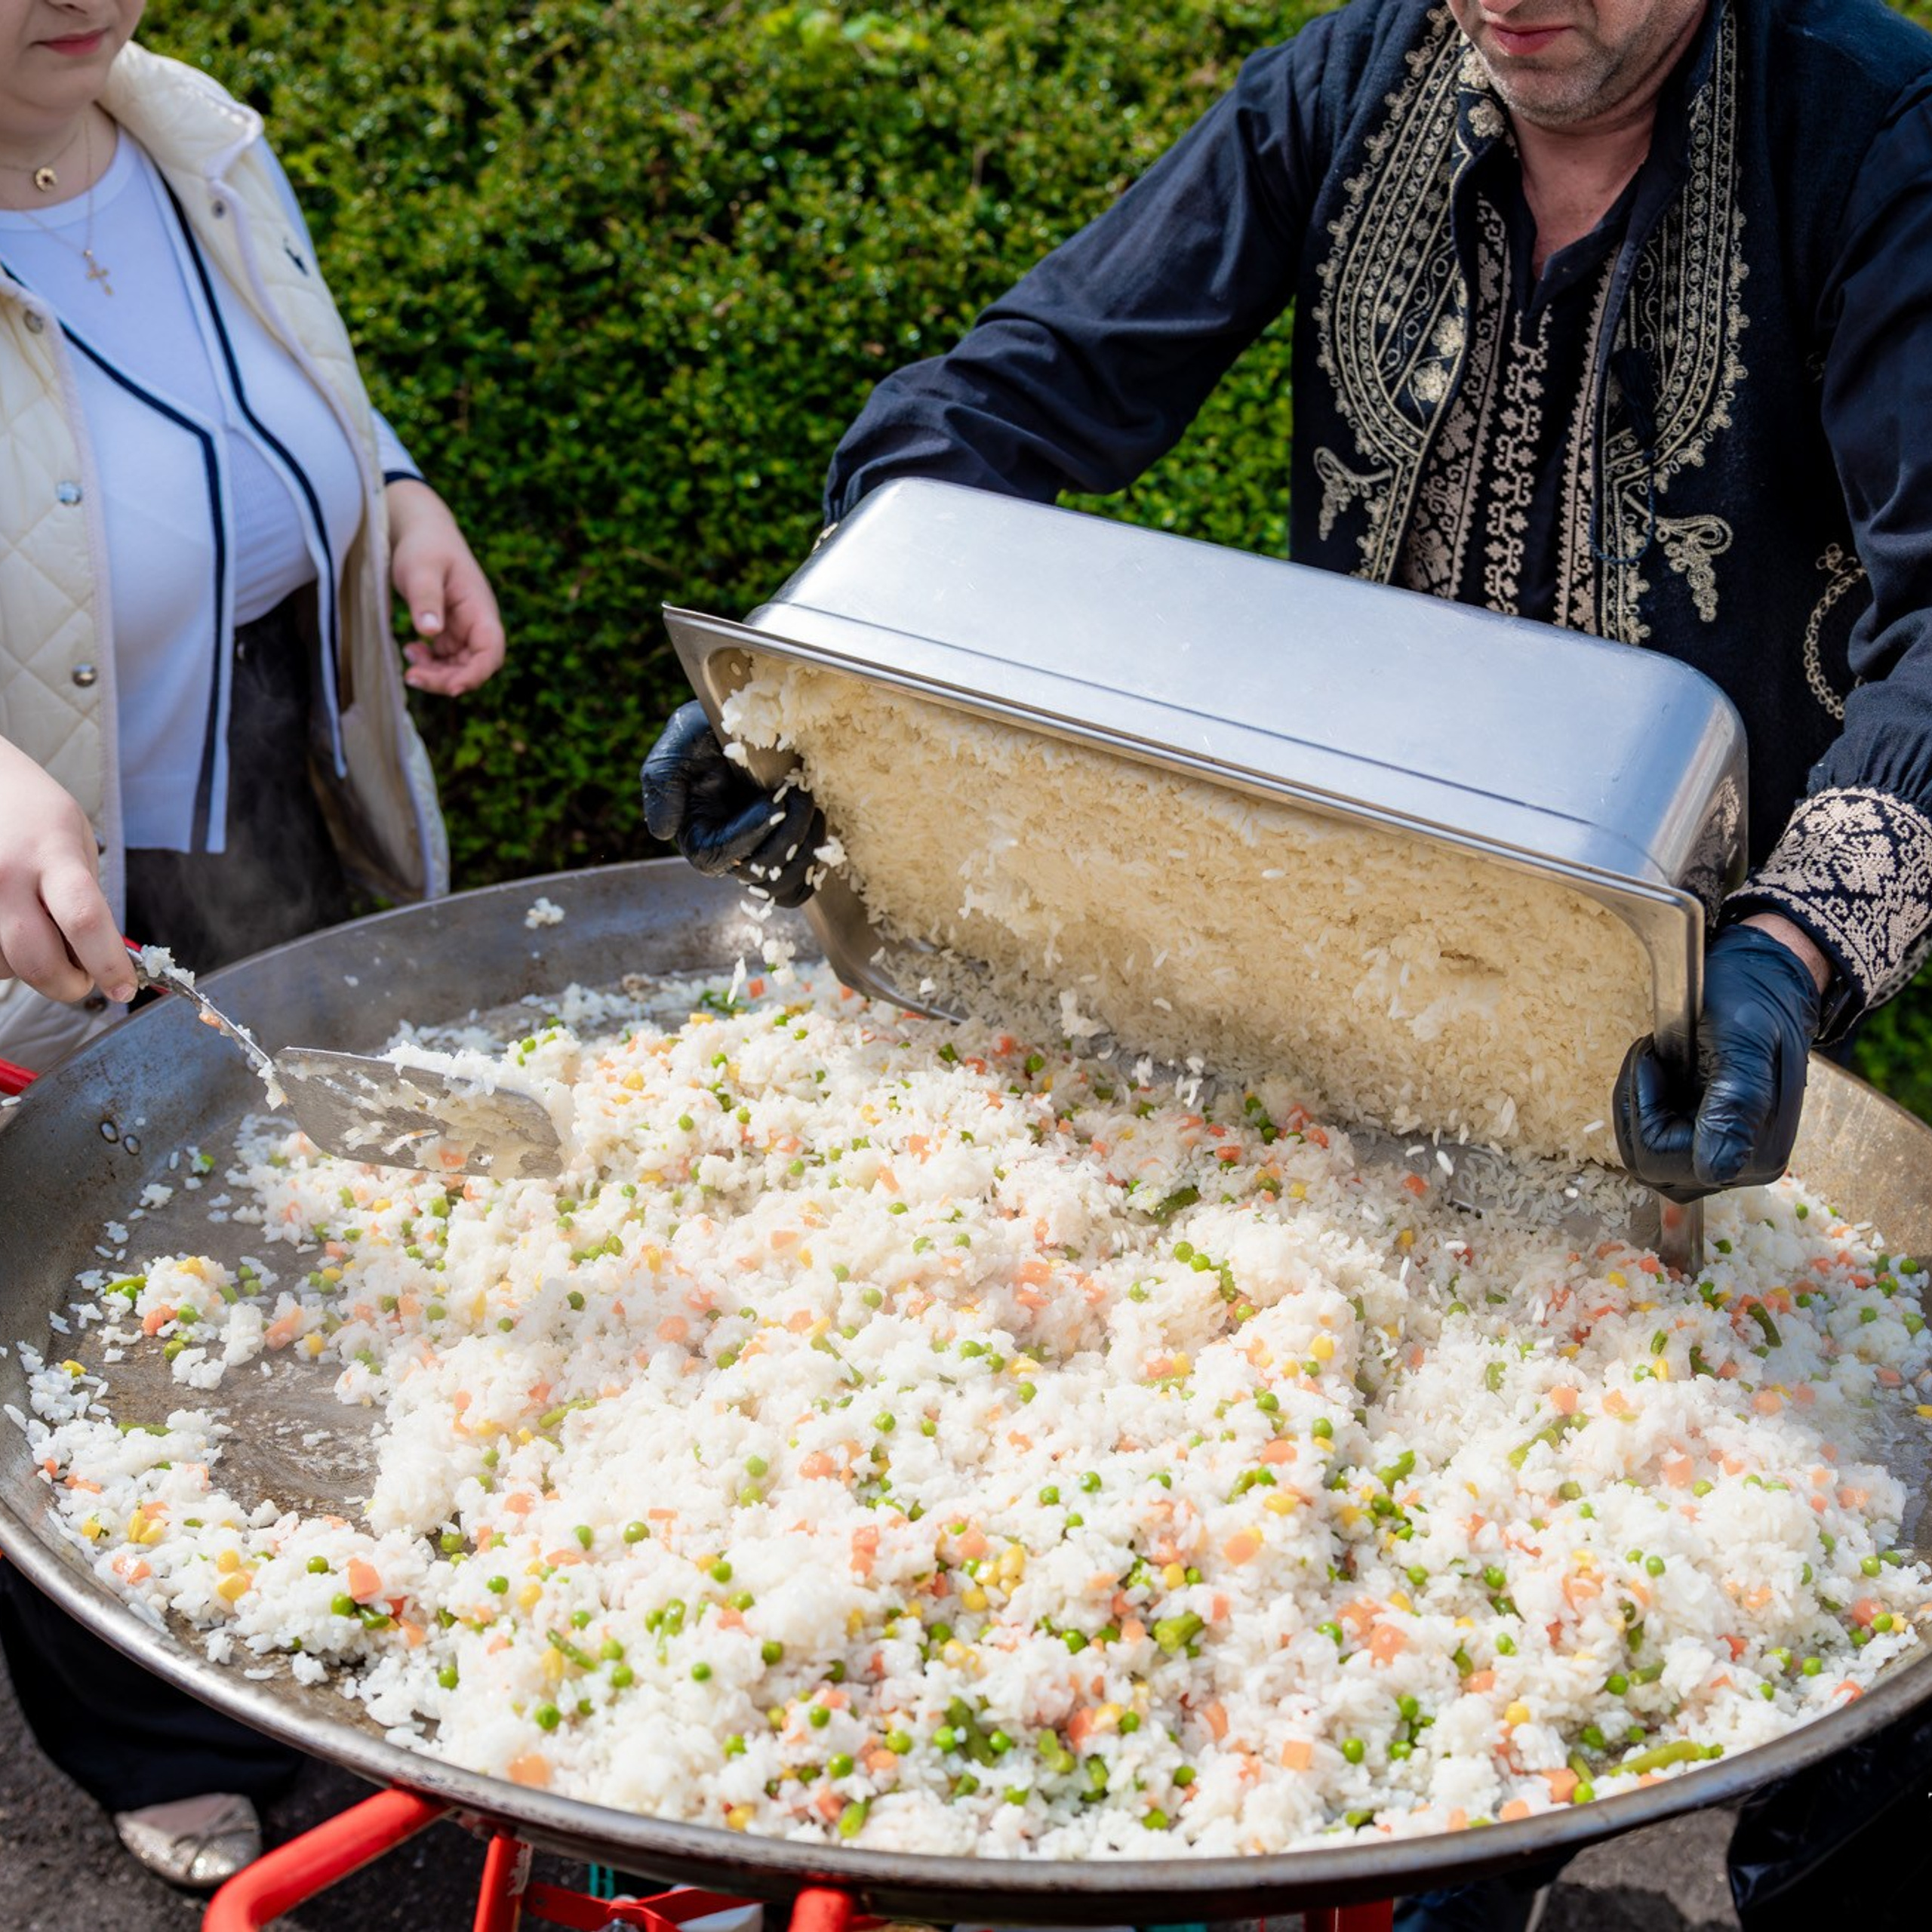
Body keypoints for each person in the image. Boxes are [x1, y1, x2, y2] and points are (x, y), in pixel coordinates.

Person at [642, 0, 1932, 1924]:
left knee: (1812, 1650)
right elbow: (1016, 390)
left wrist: (1791, 945)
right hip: (1347, 980)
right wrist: (825, 672)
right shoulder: (1348, 83)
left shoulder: (1873, 139)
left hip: (1701, 1036)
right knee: (1419, 1667)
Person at [0, 0, 503, 1890]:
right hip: (41, 863)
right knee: (62, 1287)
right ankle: (155, 1723)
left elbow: (290, 368)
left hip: (276, 771)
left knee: (303, 1226)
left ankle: (336, 1576)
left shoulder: (187, 127)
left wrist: (389, 488)